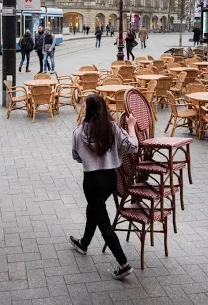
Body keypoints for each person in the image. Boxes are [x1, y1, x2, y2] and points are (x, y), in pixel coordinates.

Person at [70, 94, 138, 280]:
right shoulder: (113, 128)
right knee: (94, 209)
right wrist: (131, 126)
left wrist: (88, 157)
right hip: (110, 179)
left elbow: (76, 156)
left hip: (91, 180)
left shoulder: (78, 132)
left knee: (102, 220)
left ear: (88, 110)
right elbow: (133, 146)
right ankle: (84, 243)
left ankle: (123, 263)